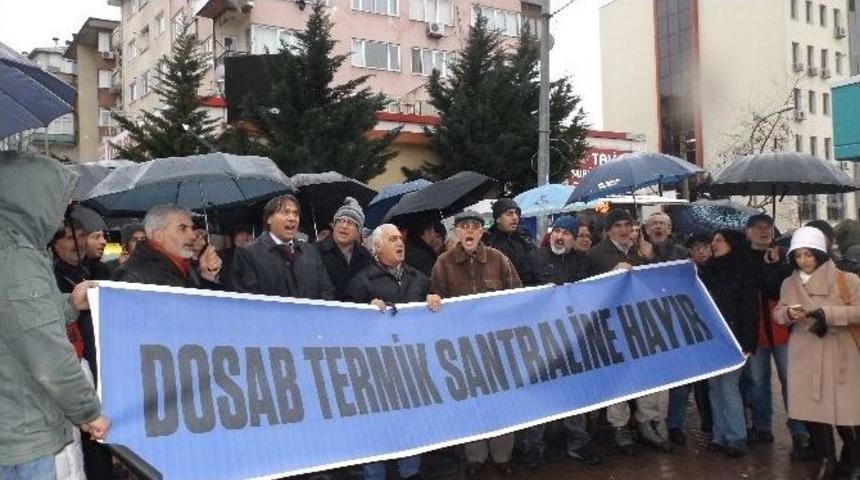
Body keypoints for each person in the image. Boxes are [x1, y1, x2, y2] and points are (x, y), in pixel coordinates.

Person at [0, 152, 109, 479]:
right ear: (34, 197)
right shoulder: (17, 257)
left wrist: (70, 304)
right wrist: (89, 411)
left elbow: (15, 319)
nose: (63, 217)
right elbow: (46, 353)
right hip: (20, 432)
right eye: (61, 201)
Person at [429, 211, 521, 476]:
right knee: (471, 402)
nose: (469, 231)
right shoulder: (443, 263)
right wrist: (433, 300)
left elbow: (517, 297)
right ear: (456, 232)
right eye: (463, 227)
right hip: (462, 350)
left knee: (502, 401)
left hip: (497, 346)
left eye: (474, 227)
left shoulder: (499, 259)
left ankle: (503, 456)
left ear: (482, 232)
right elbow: (436, 300)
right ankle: (475, 456)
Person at [344, 223, 433, 480]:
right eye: (392, 239)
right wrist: (364, 311)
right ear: (377, 248)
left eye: (400, 239)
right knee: (376, 425)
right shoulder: (360, 283)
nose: (400, 243)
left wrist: (434, 302)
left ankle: (410, 472)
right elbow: (346, 325)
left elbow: (433, 322)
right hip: (375, 369)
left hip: (412, 365)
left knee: (410, 421)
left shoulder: (420, 279)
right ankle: (375, 473)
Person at [774, 226, 860, 479]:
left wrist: (828, 314)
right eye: (798, 255)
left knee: (848, 413)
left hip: (841, 352)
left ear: (820, 254)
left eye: (808, 254)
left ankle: (853, 461)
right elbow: (779, 313)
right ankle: (826, 459)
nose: (803, 260)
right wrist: (788, 314)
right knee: (813, 413)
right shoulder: (789, 282)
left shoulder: (847, 279)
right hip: (806, 353)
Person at [519, 215, 600, 468]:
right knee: (539, 395)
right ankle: (533, 448)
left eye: (567, 233)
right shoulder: (534, 258)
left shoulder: (583, 263)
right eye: (557, 231)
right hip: (540, 339)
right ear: (551, 234)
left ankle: (578, 443)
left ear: (574, 240)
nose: (560, 236)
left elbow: (594, 294)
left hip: (573, 338)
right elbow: (519, 293)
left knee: (573, 393)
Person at [587, 209, 668, 455]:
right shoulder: (595, 255)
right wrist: (610, 276)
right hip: (611, 326)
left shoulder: (643, 250)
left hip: (641, 324)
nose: (624, 230)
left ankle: (646, 422)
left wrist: (651, 259)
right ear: (608, 229)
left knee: (646, 375)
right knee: (618, 379)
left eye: (628, 225)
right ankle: (619, 427)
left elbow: (660, 284)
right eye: (618, 226)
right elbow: (586, 293)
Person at [743, 214, 811, 456]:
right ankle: (762, 427)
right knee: (758, 383)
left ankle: (800, 431)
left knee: (791, 382)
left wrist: (775, 265)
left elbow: (777, 290)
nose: (764, 232)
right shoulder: (742, 258)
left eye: (768, 228)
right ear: (748, 232)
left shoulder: (784, 258)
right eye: (759, 228)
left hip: (783, 330)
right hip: (755, 332)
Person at [699, 229, 758, 458]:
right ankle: (719, 435)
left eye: (719, 240)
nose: (714, 244)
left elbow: (749, 309)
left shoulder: (743, 271)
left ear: (732, 243)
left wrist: (747, 341)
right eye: (713, 240)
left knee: (729, 388)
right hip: (713, 338)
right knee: (715, 388)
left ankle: (735, 437)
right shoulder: (710, 270)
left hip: (734, 338)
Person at [231, 194, 335, 300]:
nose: (292, 218)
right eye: (286, 212)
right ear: (269, 219)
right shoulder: (248, 254)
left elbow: (327, 291)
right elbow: (248, 300)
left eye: (295, 214)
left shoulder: (311, 252)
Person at [666, 232, 714, 445]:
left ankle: (709, 422)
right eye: (696, 248)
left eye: (705, 247)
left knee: (706, 385)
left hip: (709, 335)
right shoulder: (682, 272)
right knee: (682, 384)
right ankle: (675, 425)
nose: (701, 251)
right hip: (686, 334)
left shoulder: (718, 270)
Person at [112, 204, 222, 288]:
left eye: (191, 229)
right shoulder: (133, 275)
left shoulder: (183, 267)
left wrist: (207, 277)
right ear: (158, 235)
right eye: (182, 229)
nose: (193, 235)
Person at [318, 197, 374, 300]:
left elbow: (371, 287)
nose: (344, 226)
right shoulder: (316, 251)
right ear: (334, 225)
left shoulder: (365, 256)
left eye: (350, 222)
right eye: (340, 220)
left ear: (358, 232)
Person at [482, 198, 540, 286]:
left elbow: (537, 262)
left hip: (531, 290)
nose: (515, 217)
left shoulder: (525, 236)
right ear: (498, 219)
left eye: (516, 213)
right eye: (509, 214)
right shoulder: (489, 242)